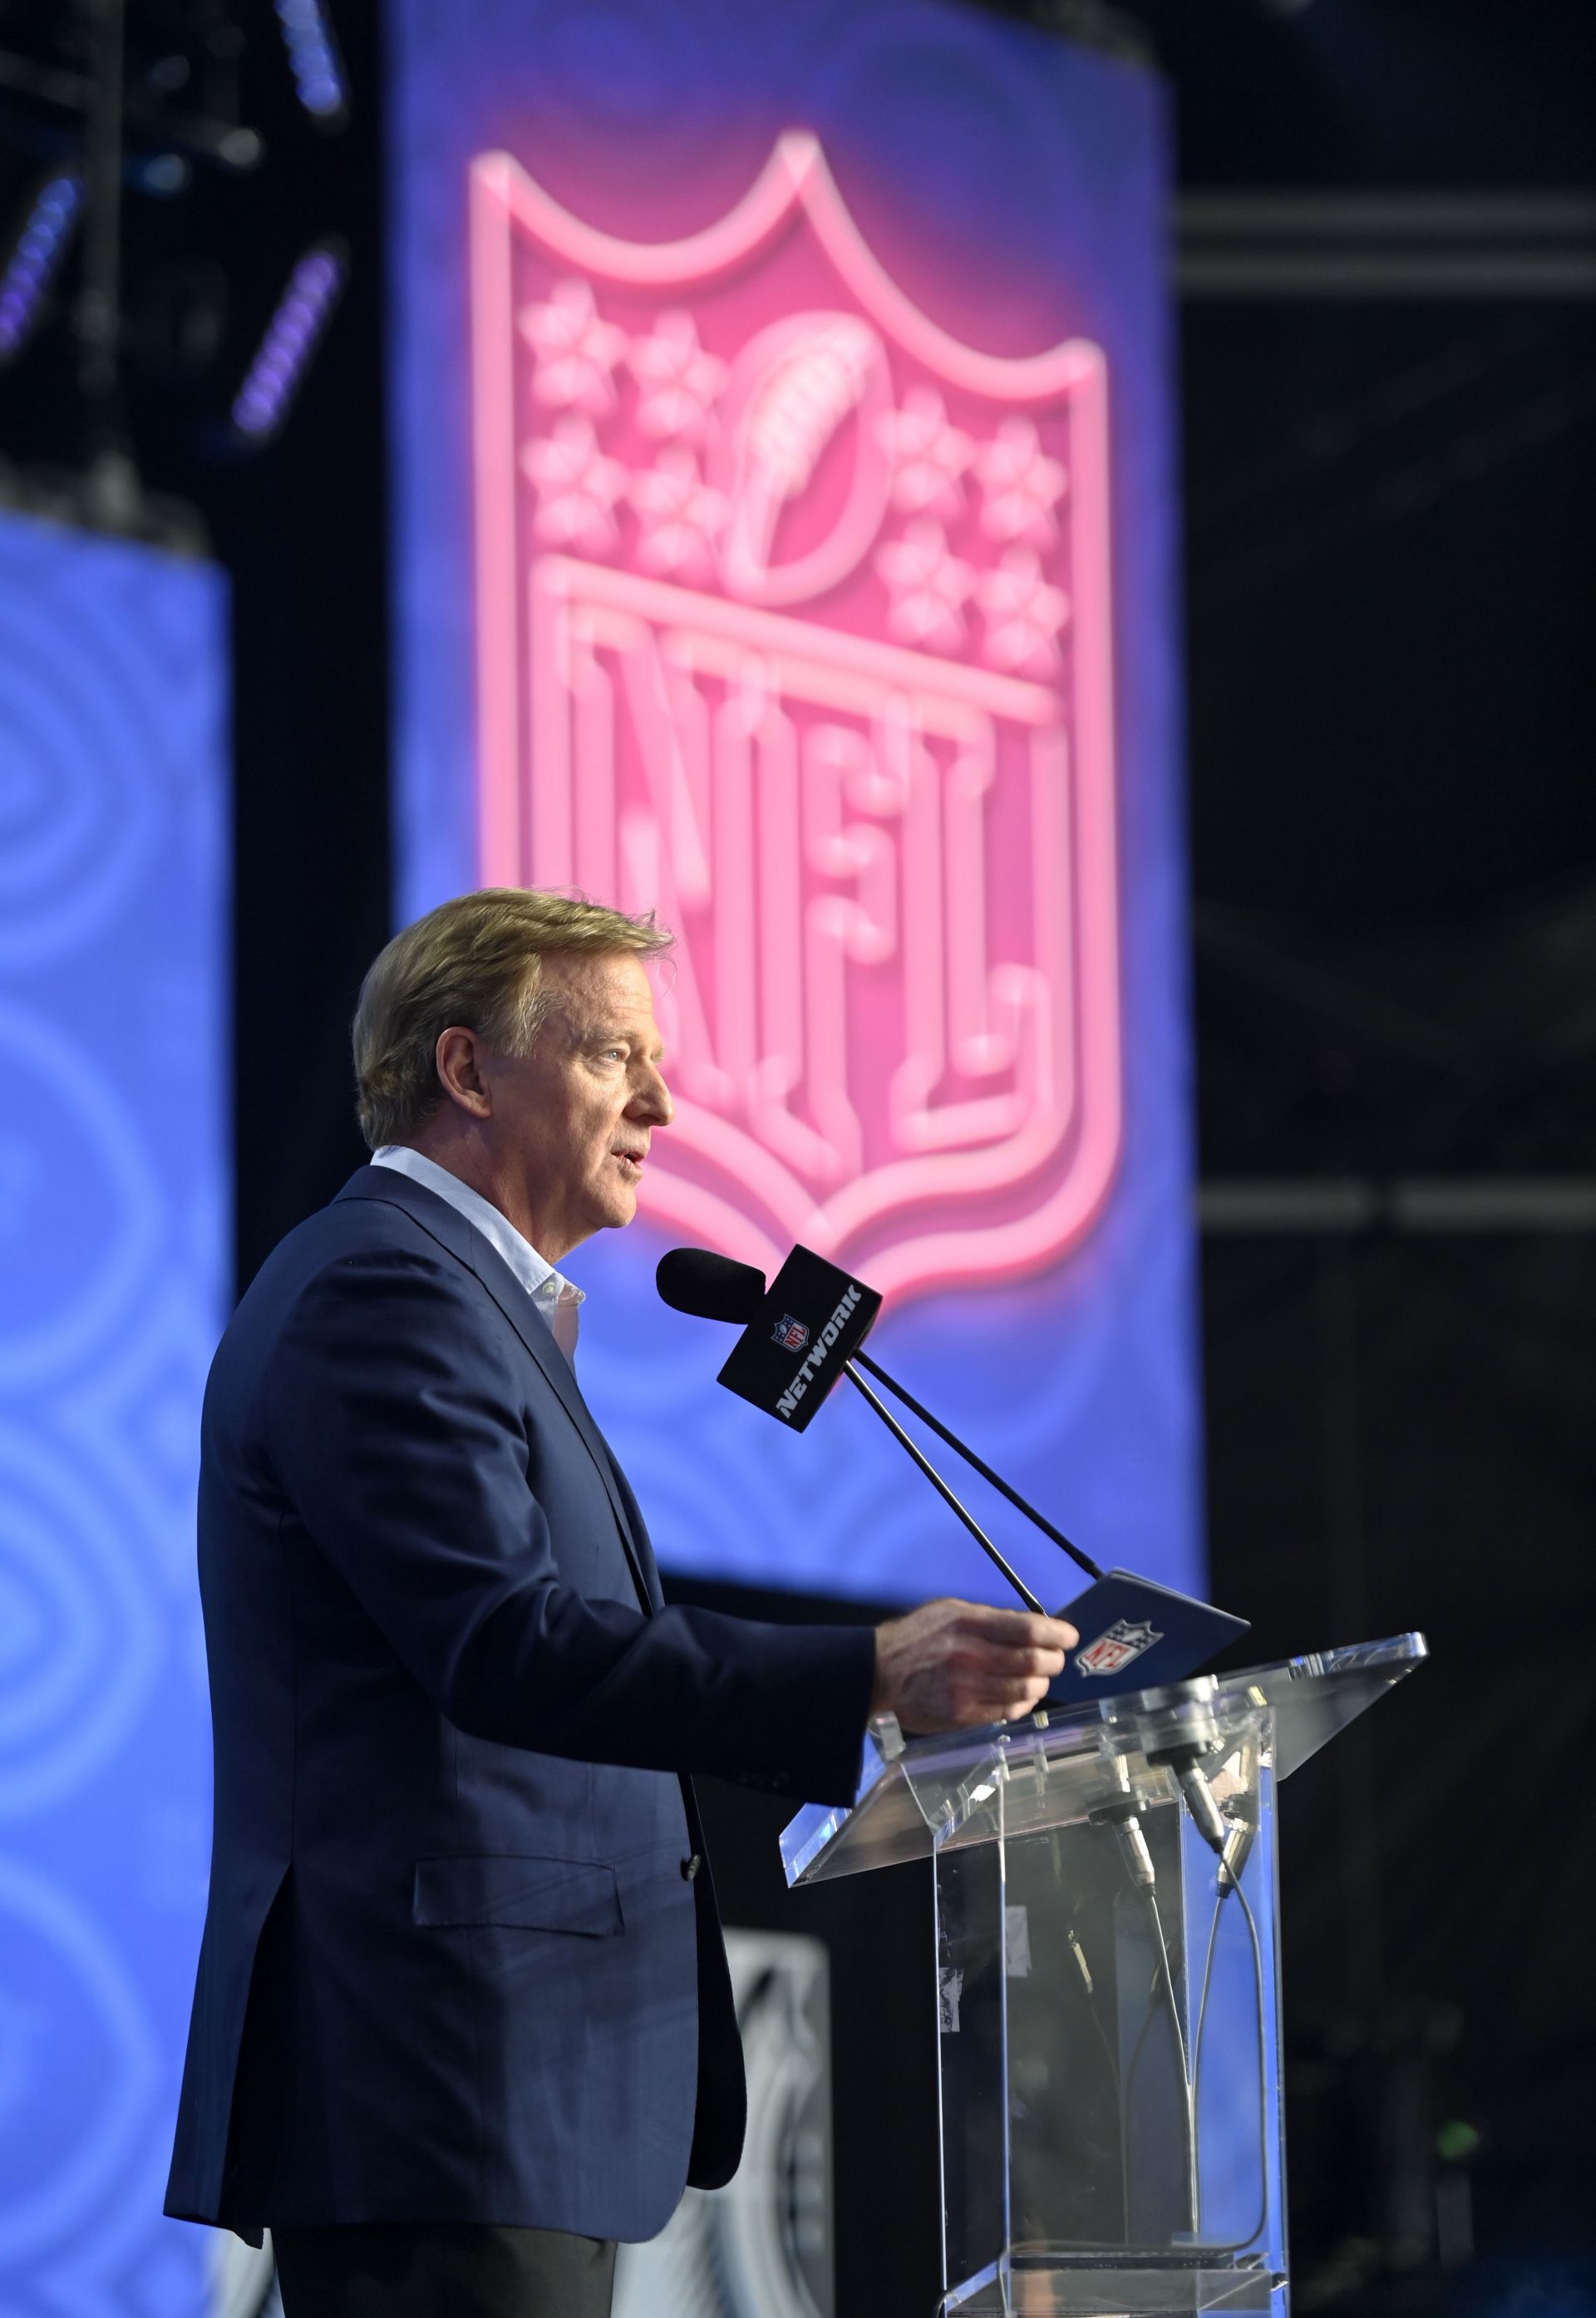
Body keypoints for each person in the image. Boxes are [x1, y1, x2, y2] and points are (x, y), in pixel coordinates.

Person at [165, 888, 1076, 2318]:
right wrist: (860, 1677)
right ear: (467, 1071)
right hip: (443, 2085)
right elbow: (503, 1644)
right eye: (614, 1057)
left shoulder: (457, 1298)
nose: (664, 1101)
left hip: (502, 2093)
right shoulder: (383, 1292)